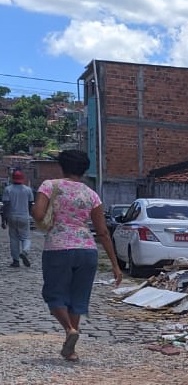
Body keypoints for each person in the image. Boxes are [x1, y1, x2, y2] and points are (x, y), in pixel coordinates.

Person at [31, 150, 123, 362]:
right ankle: (70, 350)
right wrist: (115, 266)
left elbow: (37, 214)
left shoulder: (49, 185)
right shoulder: (91, 194)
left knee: (54, 294)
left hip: (58, 248)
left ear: (62, 166)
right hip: (87, 250)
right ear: (84, 169)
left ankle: (69, 330)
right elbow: (103, 232)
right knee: (77, 299)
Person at [2, 169, 34, 267]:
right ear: (23, 179)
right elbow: (30, 204)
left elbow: (6, 206)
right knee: (26, 238)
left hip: (12, 216)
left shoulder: (8, 189)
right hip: (24, 216)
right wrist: (30, 215)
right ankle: (25, 251)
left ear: (12, 178)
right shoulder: (28, 190)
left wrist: (3, 220)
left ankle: (16, 261)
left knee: (14, 239)